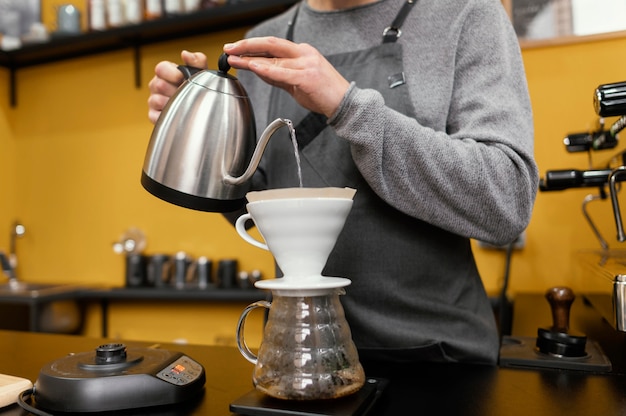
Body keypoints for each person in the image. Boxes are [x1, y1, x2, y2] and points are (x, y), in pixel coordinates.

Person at [147, 0, 539, 366]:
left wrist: (348, 108)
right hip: (300, 357)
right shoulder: (267, 38)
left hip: (439, 364)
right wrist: (207, 130)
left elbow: (508, 200)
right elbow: (255, 205)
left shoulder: (465, 13)